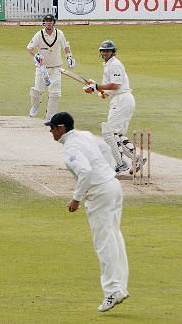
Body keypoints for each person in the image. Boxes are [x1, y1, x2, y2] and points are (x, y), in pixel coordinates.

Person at [45, 112, 129, 313]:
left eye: (52, 128)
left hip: (100, 192)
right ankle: (120, 287)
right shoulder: (85, 135)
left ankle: (112, 291)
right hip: (113, 187)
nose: (51, 132)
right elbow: (106, 150)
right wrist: (108, 173)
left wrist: (76, 198)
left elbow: (84, 172)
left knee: (103, 243)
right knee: (115, 237)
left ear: (61, 128)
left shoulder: (70, 148)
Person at [83, 40, 142, 174]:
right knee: (118, 134)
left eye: (108, 51)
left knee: (109, 133)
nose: (104, 53)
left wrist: (96, 87)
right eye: (103, 51)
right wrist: (99, 91)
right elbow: (110, 89)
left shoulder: (114, 64)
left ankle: (121, 164)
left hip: (122, 100)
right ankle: (136, 158)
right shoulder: (108, 65)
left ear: (113, 52)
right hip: (121, 99)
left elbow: (115, 85)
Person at [27, 14, 75, 121]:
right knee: (37, 91)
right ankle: (35, 107)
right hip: (42, 68)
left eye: (50, 21)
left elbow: (65, 47)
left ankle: (50, 117)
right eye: (47, 21)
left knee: (55, 93)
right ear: (44, 22)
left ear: (54, 22)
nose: (48, 23)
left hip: (56, 68)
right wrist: (36, 55)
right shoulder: (39, 34)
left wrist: (69, 56)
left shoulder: (60, 33)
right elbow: (30, 48)